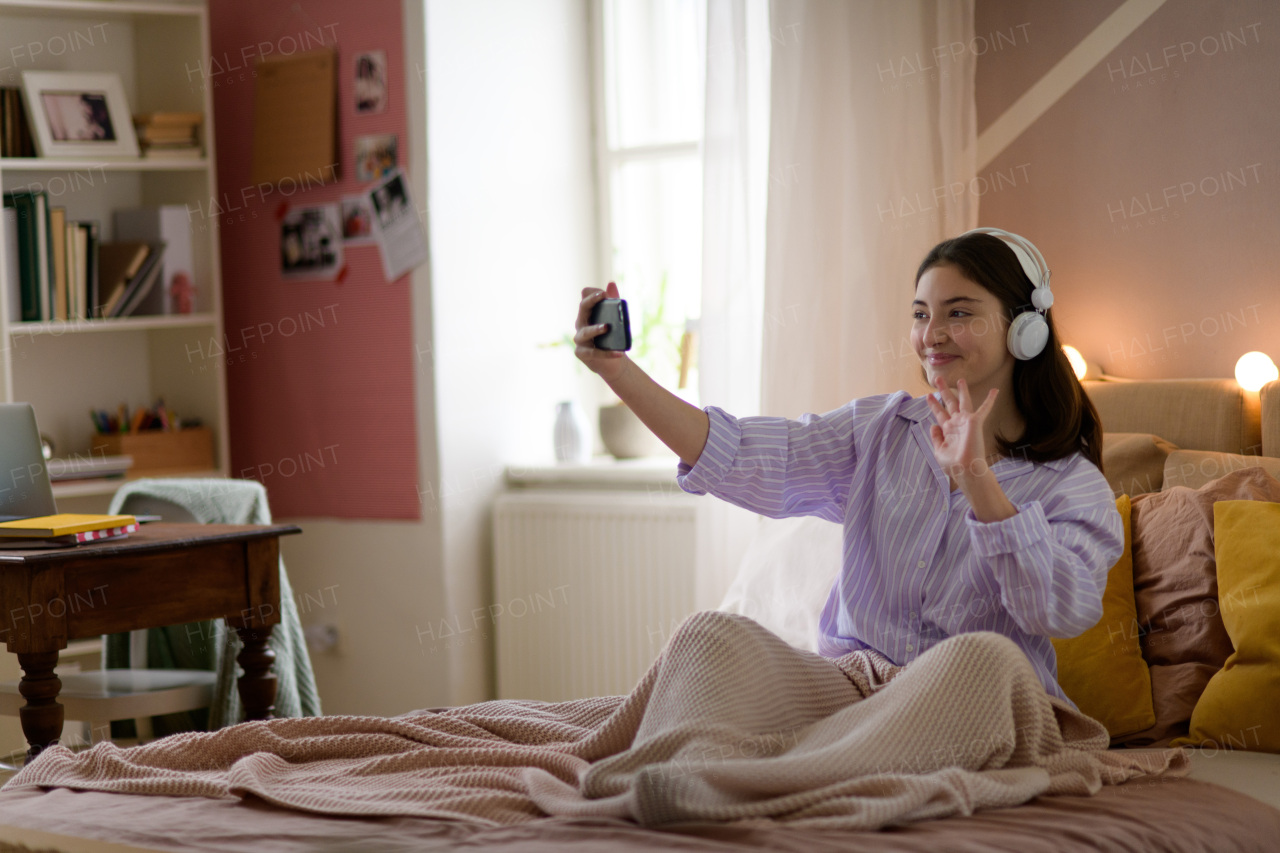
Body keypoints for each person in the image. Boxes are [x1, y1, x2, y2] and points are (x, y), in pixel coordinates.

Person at [573, 229, 1122, 706]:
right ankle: (776, 765)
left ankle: (812, 768)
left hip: (980, 700)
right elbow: (743, 453)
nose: (931, 335)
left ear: (1026, 329)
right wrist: (619, 373)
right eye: (920, 314)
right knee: (708, 638)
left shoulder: (1073, 485)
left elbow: (1060, 611)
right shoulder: (876, 430)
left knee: (980, 662)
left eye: (959, 312)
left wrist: (977, 479)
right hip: (855, 689)